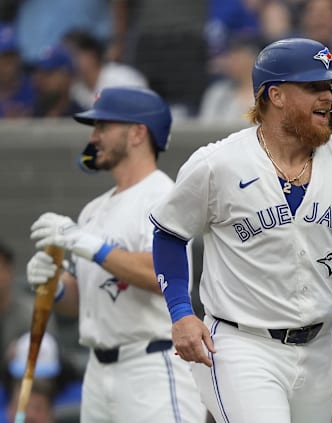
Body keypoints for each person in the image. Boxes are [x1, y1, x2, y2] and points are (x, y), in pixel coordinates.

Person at [148, 37, 332, 423]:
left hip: (320, 346)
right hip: (242, 344)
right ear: (276, 95)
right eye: (313, 87)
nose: (327, 97)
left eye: (329, 87)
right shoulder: (218, 163)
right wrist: (181, 313)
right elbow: (169, 234)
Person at [23, 86, 205, 422]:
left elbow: (159, 276)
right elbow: (82, 301)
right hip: (98, 369)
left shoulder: (163, 196)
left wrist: (90, 245)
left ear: (138, 133)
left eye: (104, 127)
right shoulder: (94, 209)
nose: (94, 137)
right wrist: (54, 285)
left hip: (152, 364)